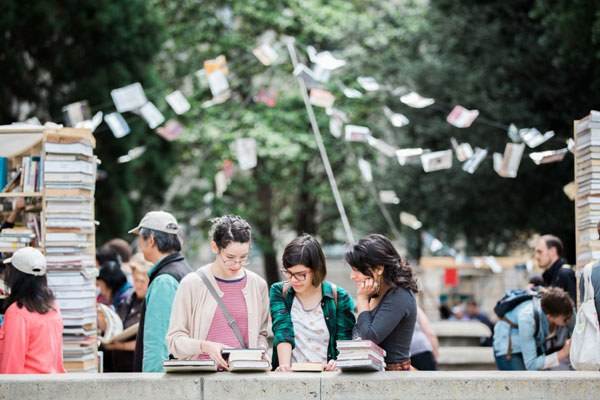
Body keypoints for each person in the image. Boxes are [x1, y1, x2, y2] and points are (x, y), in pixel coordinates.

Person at [167, 215, 269, 370]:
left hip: (245, 378)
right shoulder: (192, 284)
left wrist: (261, 350)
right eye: (230, 257)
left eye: (243, 258)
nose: (236, 264)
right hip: (201, 380)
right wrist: (204, 346)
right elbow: (174, 342)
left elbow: (262, 334)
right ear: (215, 247)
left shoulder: (258, 285)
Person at [270, 234, 356, 371]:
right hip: (291, 377)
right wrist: (284, 368)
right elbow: (282, 329)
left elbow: (345, 343)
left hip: (328, 379)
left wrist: (337, 363)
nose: (293, 280)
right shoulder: (280, 292)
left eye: (300, 274)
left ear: (317, 269)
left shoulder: (339, 297)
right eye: (289, 273)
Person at [129, 210, 192, 372]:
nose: (139, 246)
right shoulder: (185, 270)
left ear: (150, 240)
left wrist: (153, 387)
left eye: (139, 239)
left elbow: (157, 344)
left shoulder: (164, 281)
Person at [346, 233, 418, 371]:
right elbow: (358, 336)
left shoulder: (399, 295)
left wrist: (361, 299)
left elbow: (368, 340)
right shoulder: (374, 293)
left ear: (379, 269)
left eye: (357, 270)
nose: (352, 276)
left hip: (394, 378)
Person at [0, 247, 65, 373]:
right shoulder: (53, 307)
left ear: (16, 276)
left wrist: (5, 391)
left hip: (25, 388)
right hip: (50, 384)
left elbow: (12, 361)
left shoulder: (17, 312)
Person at [493, 287, 573, 370]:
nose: (568, 321)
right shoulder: (528, 318)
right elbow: (532, 365)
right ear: (550, 317)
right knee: (522, 382)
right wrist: (563, 353)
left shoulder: (549, 308)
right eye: (565, 319)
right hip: (509, 349)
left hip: (528, 344)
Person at [102, 253, 151, 372]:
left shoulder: (152, 303)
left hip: (136, 369)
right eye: (135, 280)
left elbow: (148, 343)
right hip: (117, 368)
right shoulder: (128, 300)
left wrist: (119, 346)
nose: (138, 285)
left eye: (142, 281)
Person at [534, 235, 576, 303]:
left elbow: (572, 309)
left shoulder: (565, 274)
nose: (536, 256)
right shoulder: (547, 276)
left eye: (540, 252)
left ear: (552, 251)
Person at [410, 306, 439, 370]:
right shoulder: (415, 307)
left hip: (403, 353)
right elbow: (430, 333)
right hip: (421, 350)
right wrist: (436, 356)